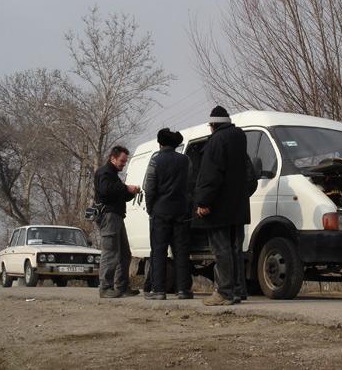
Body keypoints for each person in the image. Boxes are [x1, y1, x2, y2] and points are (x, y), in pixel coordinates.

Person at [193, 106, 258, 306]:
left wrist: (203, 201)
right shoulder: (240, 142)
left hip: (219, 209)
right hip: (237, 209)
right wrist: (239, 197)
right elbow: (251, 178)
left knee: (221, 250)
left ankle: (224, 293)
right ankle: (238, 290)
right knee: (235, 249)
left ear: (213, 125)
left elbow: (210, 174)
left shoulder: (216, 142)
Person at [143, 128, 193, 300]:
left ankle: (159, 290)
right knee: (181, 251)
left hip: (160, 213)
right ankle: (183, 290)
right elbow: (190, 184)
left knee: (159, 251)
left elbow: (149, 188)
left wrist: (151, 209)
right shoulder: (186, 160)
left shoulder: (155, 161)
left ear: (160, 143)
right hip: (181, 212)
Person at [94, 145, 141, 298]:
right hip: (109, 217)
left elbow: (120, 194)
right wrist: (126, 188)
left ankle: (122, 286)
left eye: (125, 161)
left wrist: (131, 192)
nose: (123, 164)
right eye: (122, 161)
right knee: (110, 253)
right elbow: (106, 190)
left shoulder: (114, 175)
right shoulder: (104, 173)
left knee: (125, 254)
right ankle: (105, 287)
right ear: (112, 158)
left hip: (117, 217)